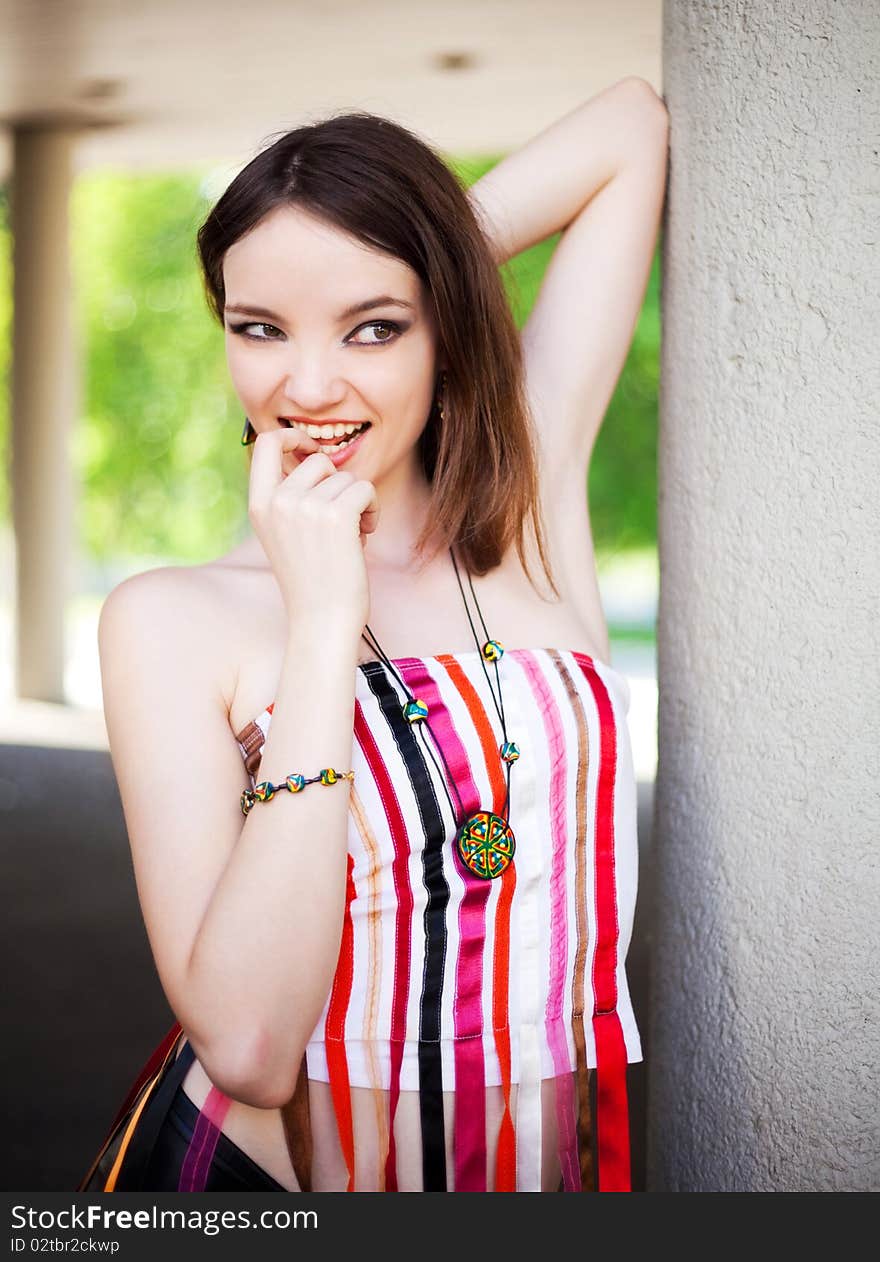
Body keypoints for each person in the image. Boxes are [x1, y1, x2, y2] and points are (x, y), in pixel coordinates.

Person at [80, 81, 669, 1193]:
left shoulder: (524, 514)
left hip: (554, 1157)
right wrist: (318, 623)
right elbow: (248, 1046)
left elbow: (628, 131)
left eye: (373, 327)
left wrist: (420, 258)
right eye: (261, 327)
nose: (305, 385)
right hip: (296, 1178)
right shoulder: (171, 619)